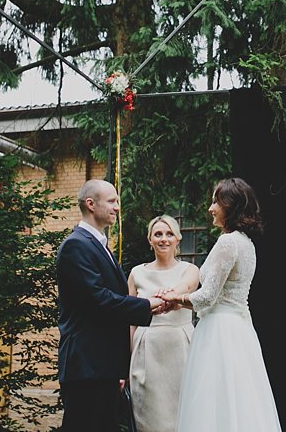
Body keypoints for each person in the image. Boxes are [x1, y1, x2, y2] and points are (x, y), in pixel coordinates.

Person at [162, 178, 283, 432]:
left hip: (219, 331)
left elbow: (208, 296)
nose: (211, 208)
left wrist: (176, 299)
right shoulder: (247, 244)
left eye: (216, 202)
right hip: (240, 329)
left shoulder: (228, 242)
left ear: (232, 206)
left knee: (213, 401)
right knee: (238, 400)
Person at [55, 179, 167, 432]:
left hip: (102, 365)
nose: (117, 207)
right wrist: (146, 305)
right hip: (86, 365)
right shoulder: (76, 245)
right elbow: (98, 300)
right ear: (91, 204)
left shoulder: (98, 244)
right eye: (112, 201)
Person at [127, 215, 200, 432]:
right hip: (147, 351)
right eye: (158, 234)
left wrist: (170, 297)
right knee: (150, 418)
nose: (164, 239)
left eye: (169, 234)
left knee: (185, 415)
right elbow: (130, 320)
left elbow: (187, 287)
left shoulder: (189, 270)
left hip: (181, 349)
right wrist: (130, 356)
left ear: (177, 238)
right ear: (150, 240)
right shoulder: (137, 273)